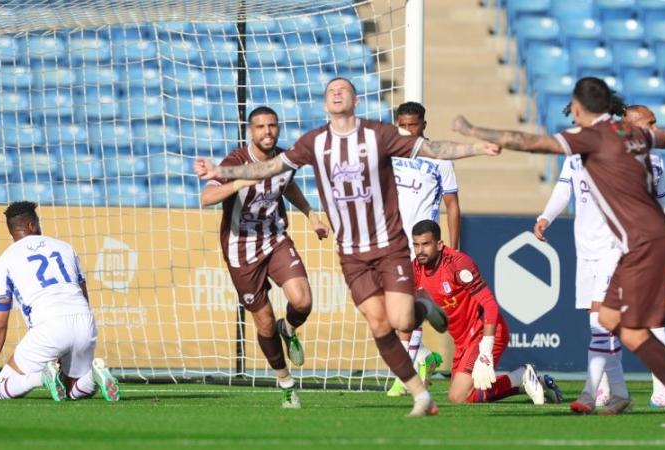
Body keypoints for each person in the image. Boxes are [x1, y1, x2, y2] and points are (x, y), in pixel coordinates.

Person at [195, 77, 499, 416]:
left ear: (355, 99)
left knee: (396, 319)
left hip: (386, 242)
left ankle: (422, 309)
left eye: (344, 89)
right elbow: (270, 169)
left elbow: (431, 149)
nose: (337, 93)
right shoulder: (313, 142)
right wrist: (221, 170)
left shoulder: (378, 134)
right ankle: (419, 395)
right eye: (331, 91)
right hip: (349, 251)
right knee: (378, 324)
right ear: (326, 105)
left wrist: (475, 148)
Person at [453, 76, 665, 428]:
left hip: (635, 242)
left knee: (629, 327)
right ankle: (628, 392)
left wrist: (475, 129)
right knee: (607, 320)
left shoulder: (592, 136)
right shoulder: (632, 133)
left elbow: (531, 142)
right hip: (641, 238)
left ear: (579, 107)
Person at [534, 105, 665, 413]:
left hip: (620, 247)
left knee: (614, 318)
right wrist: (546, 217)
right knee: (598, 318)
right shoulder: (578, 153)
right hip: (586, 248)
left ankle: (653, 388)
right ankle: (614, 390)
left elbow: (661, 206)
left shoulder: (649, 158)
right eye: (649, 122)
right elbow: (563, 190)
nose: (655, 126)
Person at [201, 106, 328, 408]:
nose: (267, 132)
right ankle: (285, 383)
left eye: (272, 126)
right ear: (251, 131)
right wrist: (238, 183)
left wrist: (312, 216)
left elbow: (288, 186)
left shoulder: (285, 159)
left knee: (302, 301)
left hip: (276, 239)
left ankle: (291, 328)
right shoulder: (234, 163)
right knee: (265, 322)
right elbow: (206, 197)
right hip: (241, 250)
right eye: (260, 127)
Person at [0, 201, 119, 402]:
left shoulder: (5, 260)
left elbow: (0, 320)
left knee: (2, 388)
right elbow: (83, 294)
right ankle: (93, 377)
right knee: (73, 390)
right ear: (31, 226)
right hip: (84, 321)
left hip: (49, 326)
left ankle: (41, 377)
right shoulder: (65, 247)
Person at [411, 220, 562, 405]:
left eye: (426, 244)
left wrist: (485, 349)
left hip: (484, 332)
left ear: (440, 244)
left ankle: (521, 375)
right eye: (416, 245)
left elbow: (490, 304)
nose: (420, 251)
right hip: (462, 342)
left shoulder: (457, 264)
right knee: (461, 398)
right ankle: (528, 380)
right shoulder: (415, 269)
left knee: (460, 396)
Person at [387, 101, 462, 397]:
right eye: (402, 125)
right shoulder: (389, 153)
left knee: (409, 311)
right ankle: (426, 358)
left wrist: (453, 252)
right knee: (390, 313)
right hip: (391, 243)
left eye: (413, 125)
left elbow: (452, 205)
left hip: (422, 246)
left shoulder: (439, 158)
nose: (407, 130)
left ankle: (404, 376)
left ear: (424, 126)